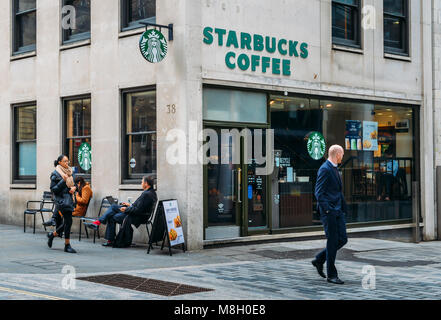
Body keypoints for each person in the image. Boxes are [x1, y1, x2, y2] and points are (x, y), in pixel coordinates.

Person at [311, 145, 348, 285]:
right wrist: (328, 210)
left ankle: (319, 259)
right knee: (332, 242)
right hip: (330, 212)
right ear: (337, 154)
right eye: (342, 154)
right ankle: (331, 275)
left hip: (338, 211)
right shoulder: (325, 169)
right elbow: (318, 193)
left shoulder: (334, 168)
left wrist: (343, 208)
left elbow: (337, 191)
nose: (343, 156)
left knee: (342, 239)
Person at [85, 175, 157, 247]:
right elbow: (140, 207)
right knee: (113, 210)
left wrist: (126, 209)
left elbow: (138, 210)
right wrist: (129, 205)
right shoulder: (152, 193)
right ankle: (99, 224)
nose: (141, 183)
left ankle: (100, 226)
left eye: (142, 182)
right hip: (137, 214)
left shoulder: (146, 194)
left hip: (137, 217)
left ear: (146, 183)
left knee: (112, 214)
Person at [47, 155, 78, 253]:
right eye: (65, 161)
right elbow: (54, 190)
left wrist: (74, 188)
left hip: (69, 200)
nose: (67, 163)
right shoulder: (55, 174)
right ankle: (67, 245)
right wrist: (63, 181)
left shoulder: (69, 172)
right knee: (68, 221)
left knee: (67, 222)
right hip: (61, 201)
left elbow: (74, 184)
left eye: (68, 161)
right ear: (59, 162)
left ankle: (53, 235)